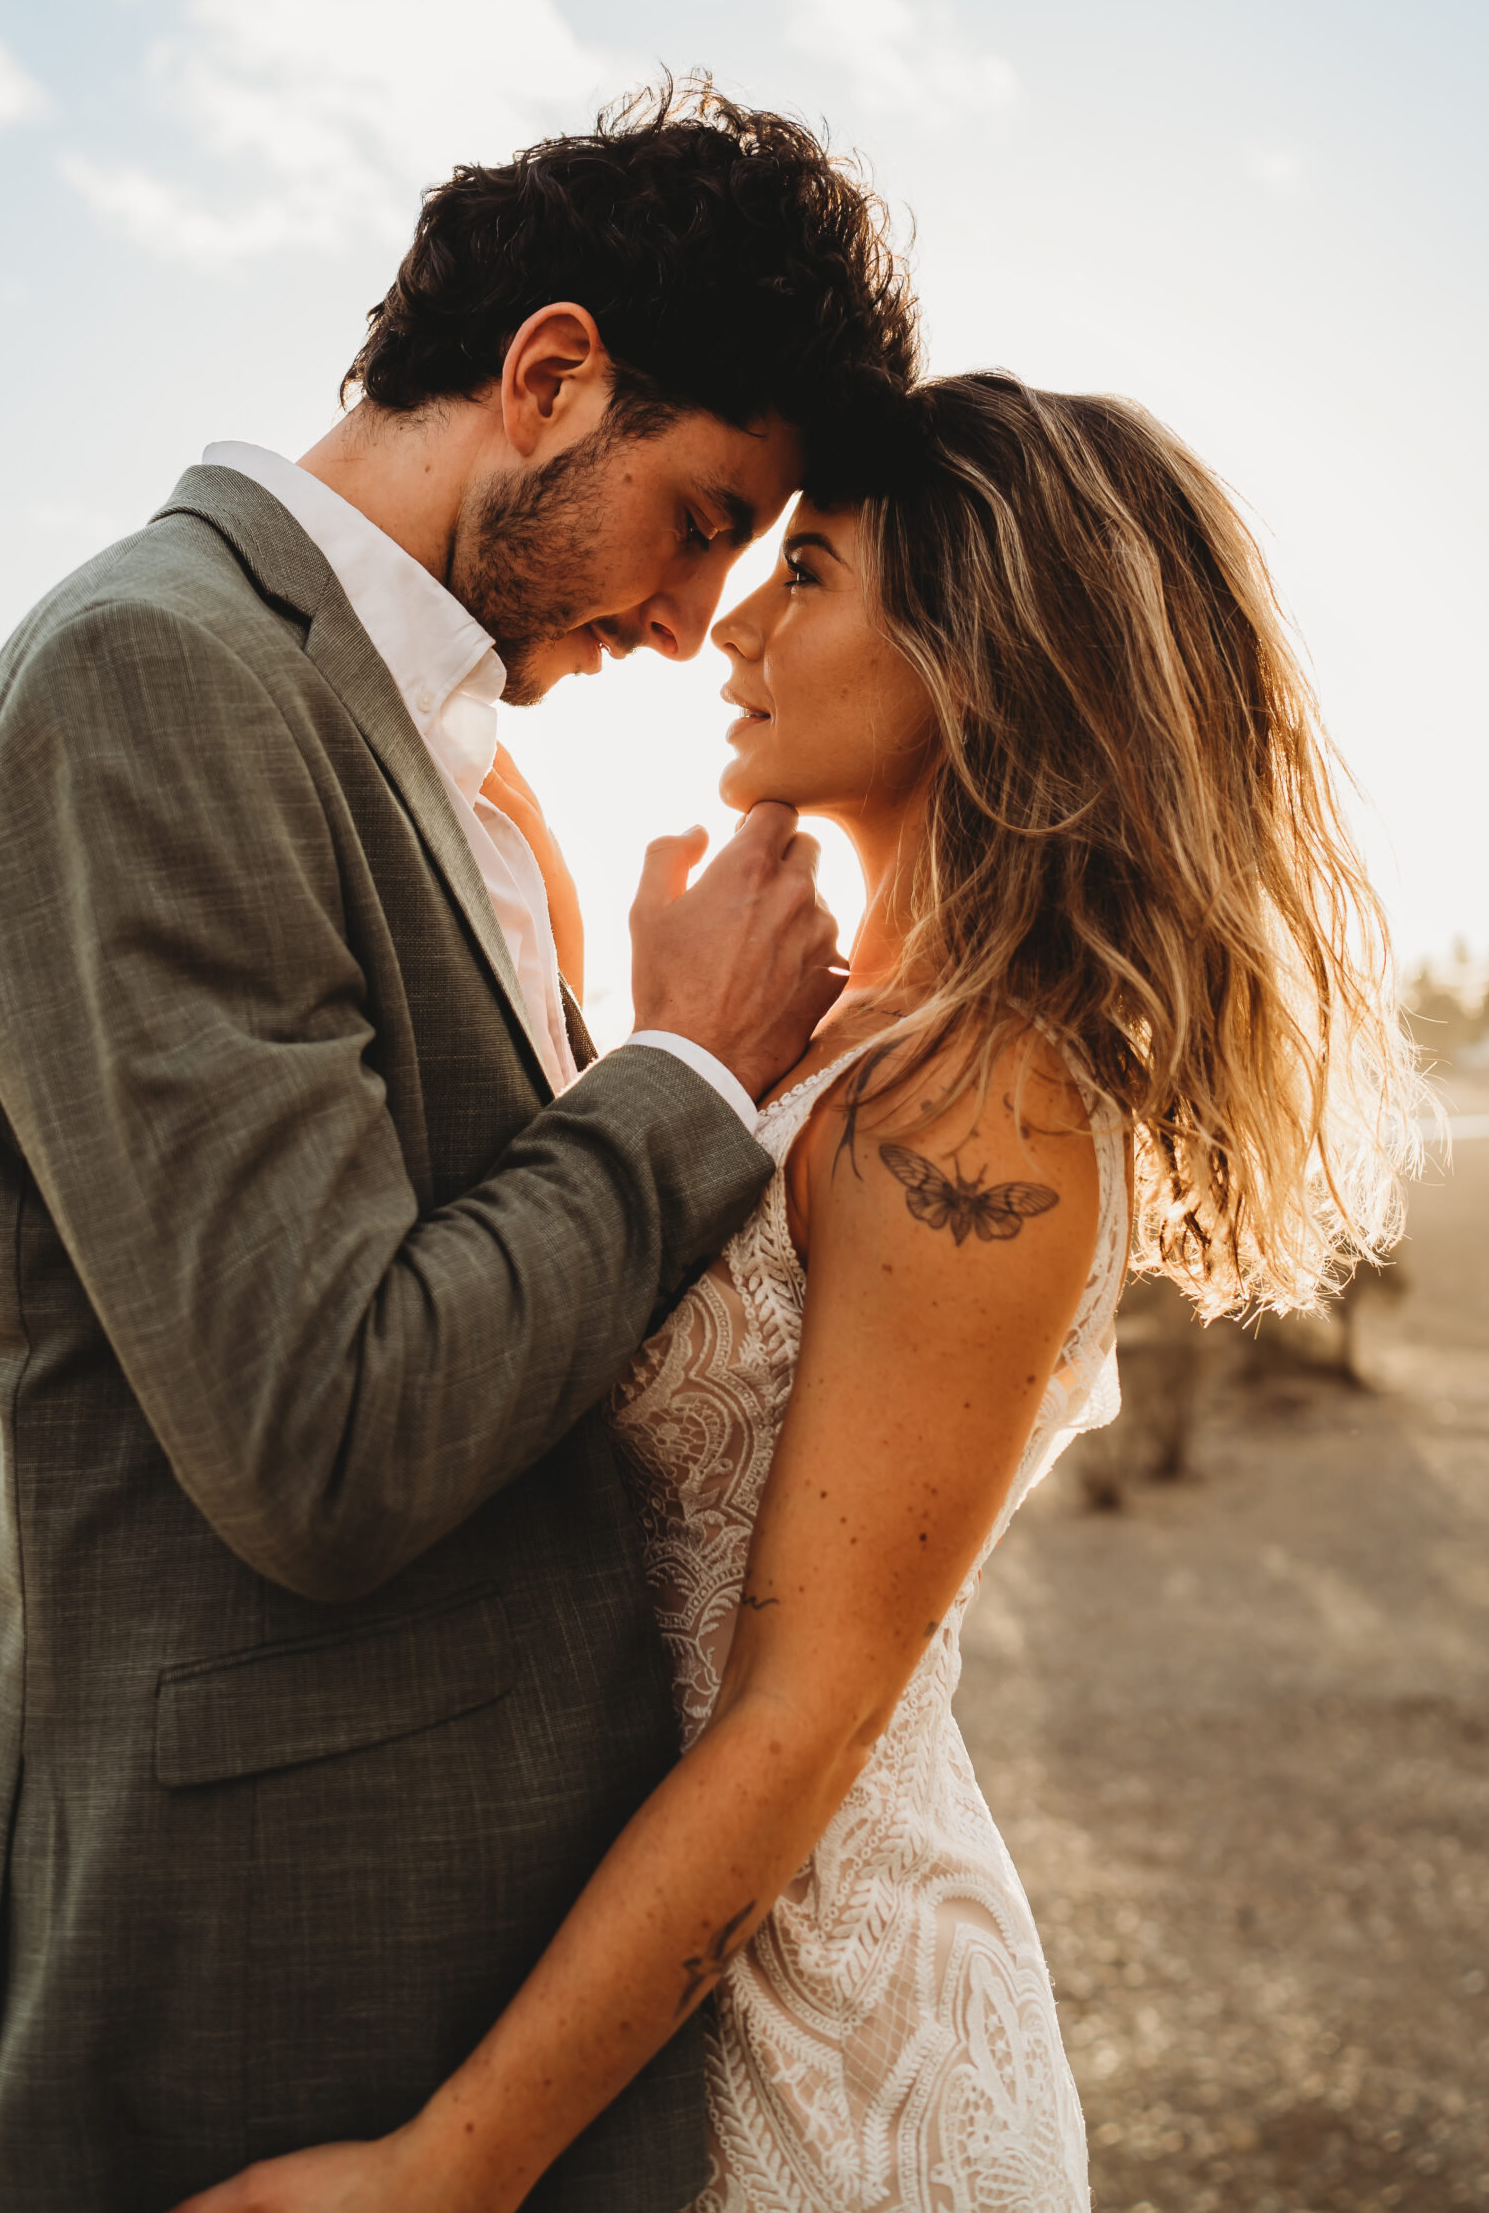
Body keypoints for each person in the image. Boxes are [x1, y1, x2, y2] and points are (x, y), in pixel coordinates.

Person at [178, 371, 1419, 2213]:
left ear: (974, 661)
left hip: (840, 2063)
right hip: (661, 2003)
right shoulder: (836, 1049)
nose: (734, 624)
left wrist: (446, 2168)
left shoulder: (987, 1098)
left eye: (810, 572)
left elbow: (806, 1713)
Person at [0, 79, 921, 2213]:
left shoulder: (438, 757)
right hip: (258, 1996)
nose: (685, 614)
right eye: (706, 513)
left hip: (479, 1983)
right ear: (545, 374)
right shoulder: (150, 680)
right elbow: (328, 1429)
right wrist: (692, 1079)